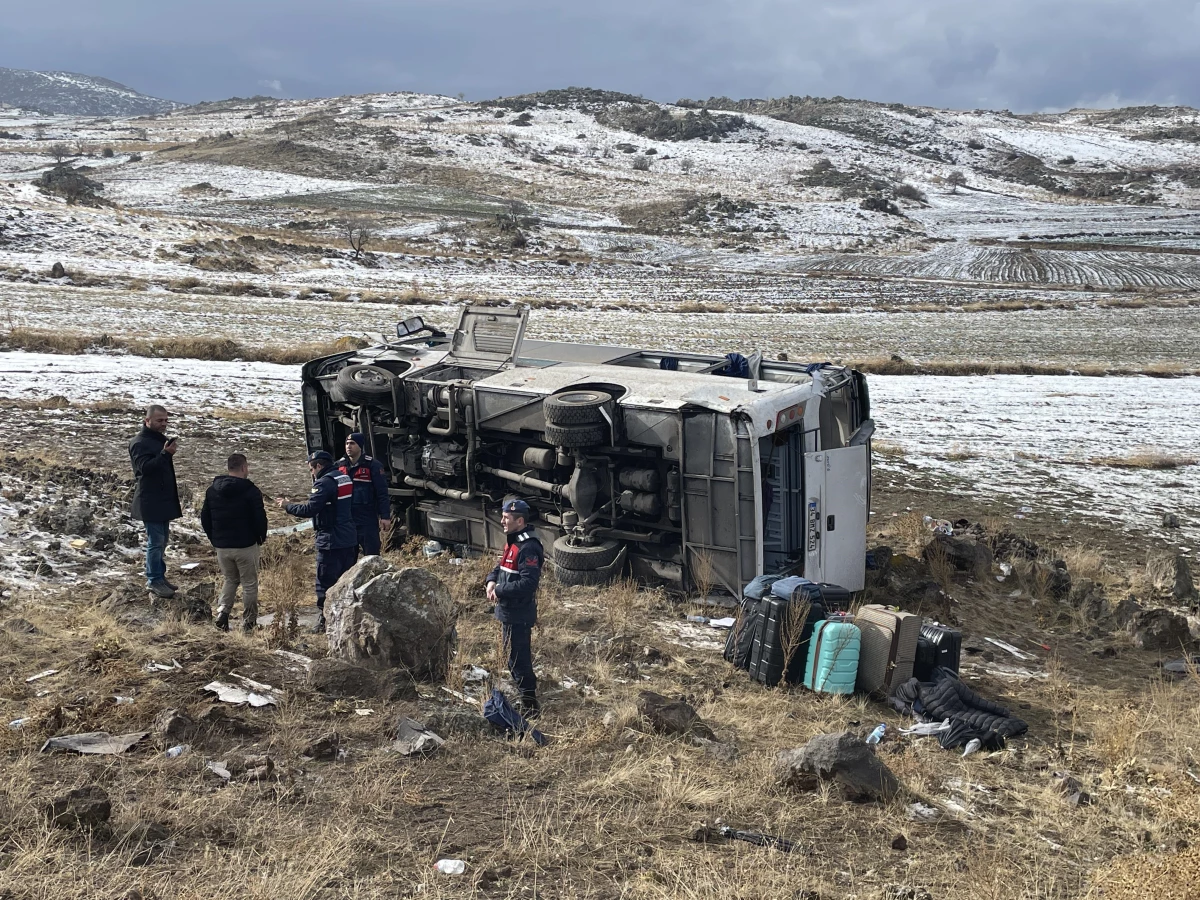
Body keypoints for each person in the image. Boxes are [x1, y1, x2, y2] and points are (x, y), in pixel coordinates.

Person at [275, 450, 356, 632]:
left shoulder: (324, 483)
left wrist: (288, 506)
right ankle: (347, 618)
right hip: (348, 537)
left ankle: (325, 621)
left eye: (312, 469)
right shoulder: (344, 478)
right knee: (346, 581)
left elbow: (310, 509)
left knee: (325, 582)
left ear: (319, 466)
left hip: (330, 539)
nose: (311, 473)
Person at [485, 499, 544, 718]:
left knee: (518, 658)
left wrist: (499, 590)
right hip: (509, 610)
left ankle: (530, 704)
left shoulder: (528, 547)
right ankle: (525, 696)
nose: (502, 521)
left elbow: (529, 583)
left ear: (520, 521)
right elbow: (501, 566)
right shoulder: (513, 542)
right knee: (512, 656)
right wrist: (492, 580)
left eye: (506, 518)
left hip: (519, 612)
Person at [201, 453, 269, 633]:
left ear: (229, 467)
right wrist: (260, 537)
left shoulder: (212, 490)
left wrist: (214, 539)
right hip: (246, 545)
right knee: (249, 584)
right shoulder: (251, 491)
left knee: (230, 579)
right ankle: (249, 622)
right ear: (244, 468)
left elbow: (205, 518)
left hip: (222, 546)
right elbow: (259, 518)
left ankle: (222, 615)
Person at [128, 404, 182, 598]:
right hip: (149, 500)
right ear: (147, 420)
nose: (164, 424)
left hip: (162, 500)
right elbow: (144, 469)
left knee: (162, 540)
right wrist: (165, 454)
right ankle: (153, 580)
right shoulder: (139, 442)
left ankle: (160, 576)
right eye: (160, 420)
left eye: (166, 420)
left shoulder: (161, 441)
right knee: (156, 541)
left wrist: (165, 452)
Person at [337, 432, 392, 557]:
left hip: (367, 519)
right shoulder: (339, 466)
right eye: (346, 443)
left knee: (372, 556)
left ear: (360, 446)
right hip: (347, 520)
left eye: (352, 443)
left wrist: (385, 516)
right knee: (347, 557)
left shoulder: (373, 466)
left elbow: (382, 493)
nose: (348, 446)